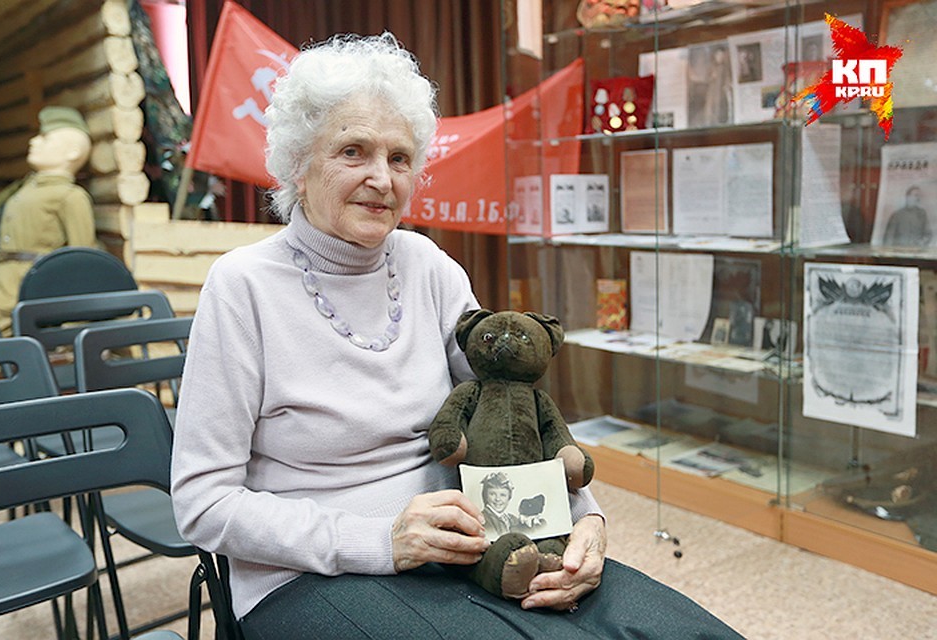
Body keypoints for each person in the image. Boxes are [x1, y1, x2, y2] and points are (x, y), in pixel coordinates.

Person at [171, 32, 743, 639]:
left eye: (399, 158)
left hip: (474, 539)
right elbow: (203, 503)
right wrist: (380, 540)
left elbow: (511, 414)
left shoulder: (429, 266)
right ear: (297, 164)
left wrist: (584, 522)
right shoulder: (242, 287)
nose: (381, 179)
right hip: (310, 574)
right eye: (352, 152)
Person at [0, 106, 96, 333]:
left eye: (45, 138)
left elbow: (82, 258)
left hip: (27, 286)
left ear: (72, 152)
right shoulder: (21, 190)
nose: (34, 142)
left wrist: (75, 322)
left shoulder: (70, 196)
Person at [480, 472, 544, 536]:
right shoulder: (484, 519)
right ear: (485, 496)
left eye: (503, 495)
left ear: (509, 497)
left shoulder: (512, 518)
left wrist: (529, 524)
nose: (498, 499)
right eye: (492, 494)